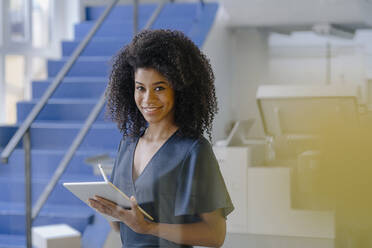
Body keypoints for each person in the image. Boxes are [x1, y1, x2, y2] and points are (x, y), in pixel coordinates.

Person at [89, 29, 234, 248]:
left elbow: (215, 235)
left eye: (159, 88)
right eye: (140, 88)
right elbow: (120, 227)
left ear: (179, 90)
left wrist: (149, 227)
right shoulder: (128, 145)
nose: (148, 99)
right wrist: (108, 210)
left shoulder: (193, 150)